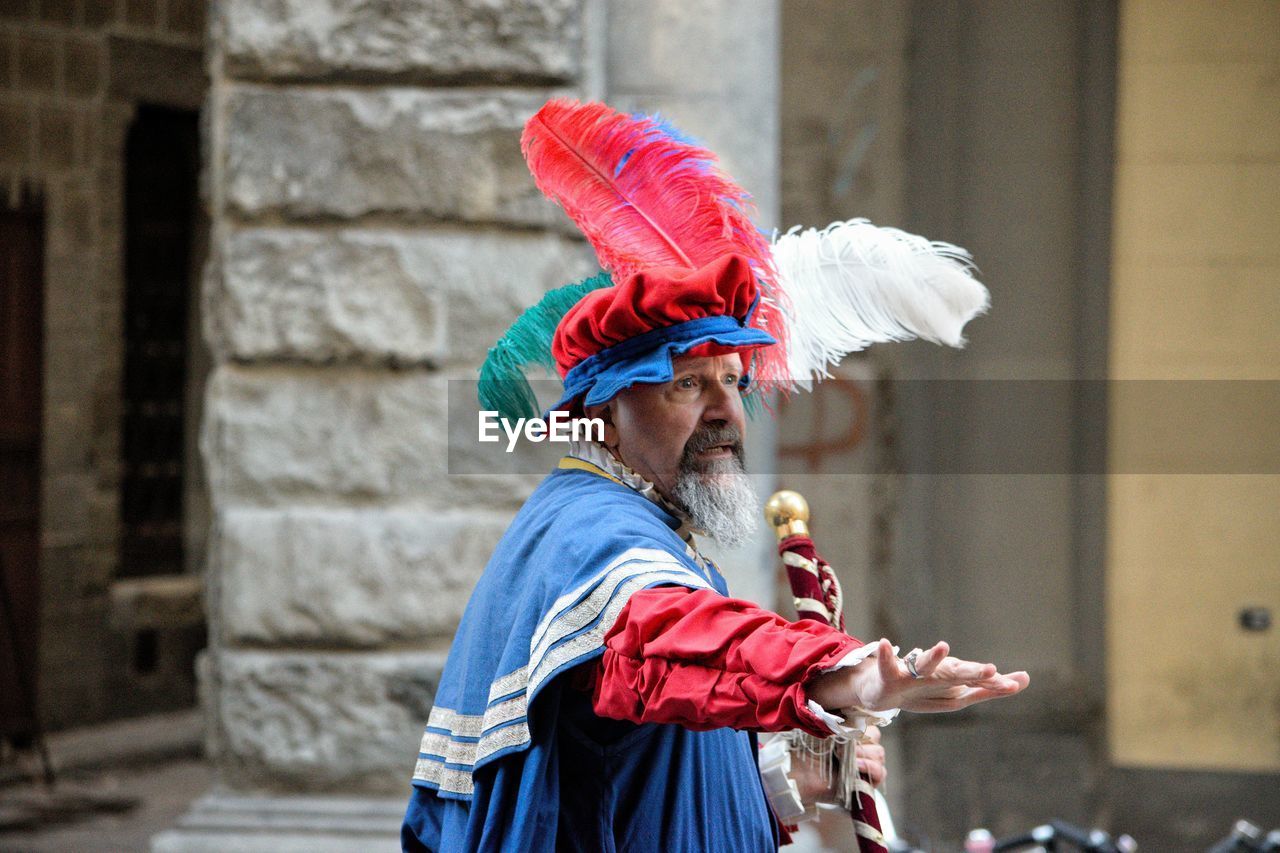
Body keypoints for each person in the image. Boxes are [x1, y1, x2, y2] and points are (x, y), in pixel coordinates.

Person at [401, 99, 1022, 851]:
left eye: (734, 380)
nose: (728, 410)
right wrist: (842, 675)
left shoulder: (647, 527)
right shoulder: (594, 532)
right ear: (603, 413)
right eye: (687, 384)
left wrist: (794, 769)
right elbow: (666, 646)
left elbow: (639, 766)